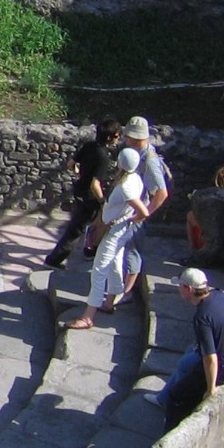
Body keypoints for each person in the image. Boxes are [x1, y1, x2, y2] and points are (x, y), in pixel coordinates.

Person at [158, 267, 224, 429]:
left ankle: (169, 431)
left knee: (176, 396)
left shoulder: (202, 317)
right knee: (187, 361)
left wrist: (210, 389)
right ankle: (162, 399)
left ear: (189, 289)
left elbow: (211, 358)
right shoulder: (219, 295)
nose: (179, 289)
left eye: (180, 286)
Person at [68, 148, 149, 329]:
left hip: (115, 230)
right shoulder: (135, 178)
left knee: (99, 269)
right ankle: (110, 301)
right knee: (114, 263)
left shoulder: (127, 186)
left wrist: (126, 219)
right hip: (121, 229)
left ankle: (88, 316)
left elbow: (143, 211)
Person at [44, 119, 120, 270]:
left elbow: (71, 164)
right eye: (117, 136)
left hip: (79, 190)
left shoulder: (89, 146)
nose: (118, 139)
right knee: (76, 229)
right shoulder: (103, 157)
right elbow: (95, 184)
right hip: (90, 196)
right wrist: (102, 201)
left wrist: (81, 174)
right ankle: (54, 259)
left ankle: (89, 250)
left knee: (86, 224)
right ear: (110, 137)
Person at [121, 116, 171, 220]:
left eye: (128, 135)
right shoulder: (138, 152)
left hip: (138, 214)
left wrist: (141, 216)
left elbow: (162, 193)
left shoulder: (150, 161)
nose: (125, 137)